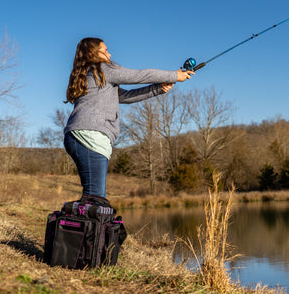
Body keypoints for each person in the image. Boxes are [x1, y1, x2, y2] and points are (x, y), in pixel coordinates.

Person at [63, 37, 194, 198]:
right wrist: (175, 75)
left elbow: (125, 96)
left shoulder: (93, 75)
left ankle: (76, 222)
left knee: (93, 195)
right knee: (95, 197)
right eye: (105, 51)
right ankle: (78, 223)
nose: (109, 55)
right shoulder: (104, 69)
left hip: (76, 136)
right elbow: (140, 75)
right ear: (93, 53)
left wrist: (157, 89)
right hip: (91, 135)